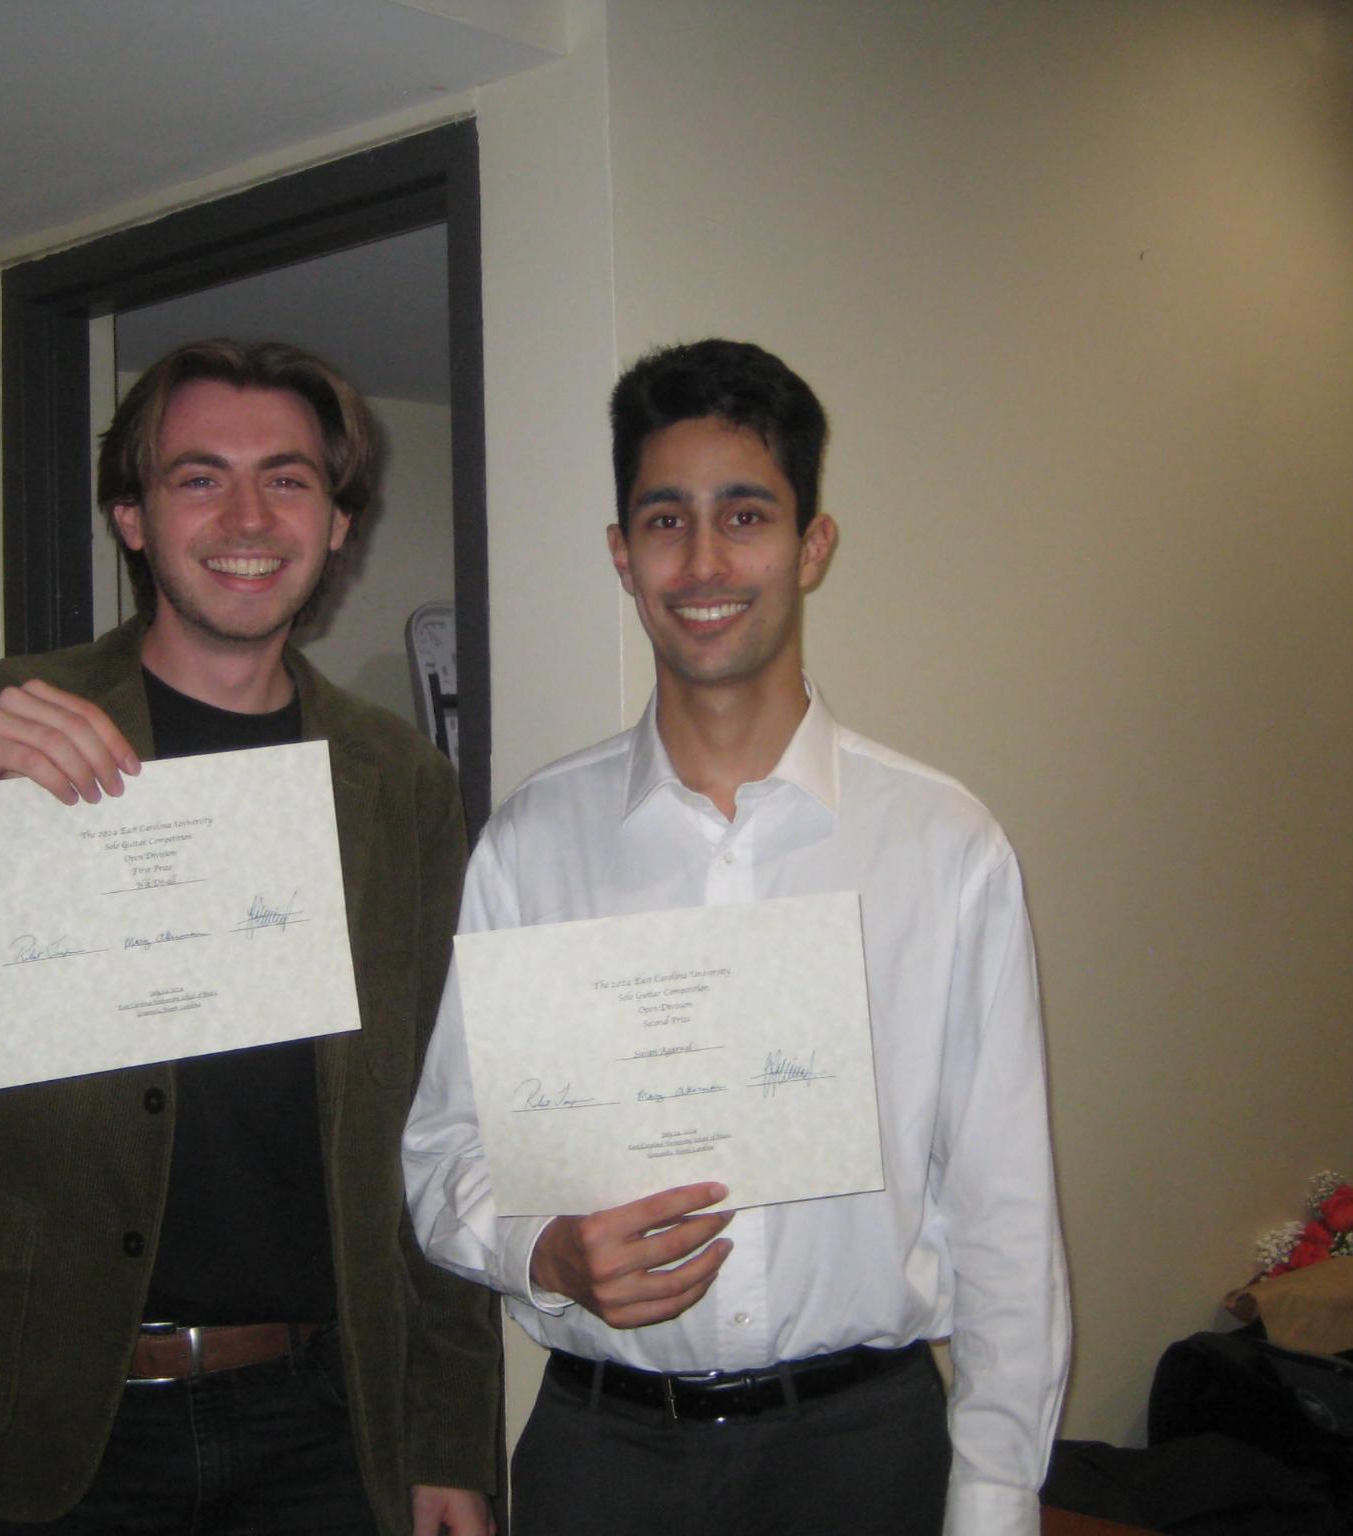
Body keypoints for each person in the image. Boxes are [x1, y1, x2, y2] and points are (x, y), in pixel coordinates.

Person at [0, 339, 498, 1535]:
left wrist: (449, 1434)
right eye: (199, 477)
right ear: (130, 518)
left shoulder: (395, 776)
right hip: (60, 1416)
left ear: (338, 522)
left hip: (324, 1421)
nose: (248, 515)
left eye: (289, 479)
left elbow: (438, 1106)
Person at [402, 339, 1068, 1536]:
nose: (703, 562)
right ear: (621, 554)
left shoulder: (940, 847)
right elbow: (443, 1156)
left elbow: (1002, 1214)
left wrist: (993, 1493)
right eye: (664, 520)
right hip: (603, 1457)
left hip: (865, 1453)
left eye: (744, 515)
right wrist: (542, 1250)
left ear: (810, 546)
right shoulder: (529, 848)